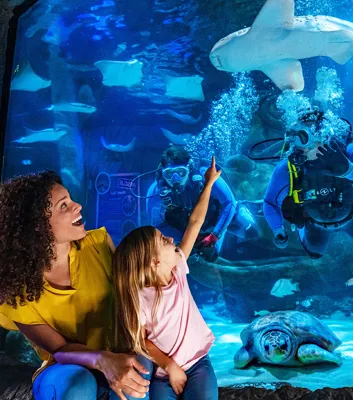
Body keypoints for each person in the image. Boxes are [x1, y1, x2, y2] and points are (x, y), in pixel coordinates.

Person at [0, 171, 151, 400]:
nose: (77, 206)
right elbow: (59, 350)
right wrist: (103, 361)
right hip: (66, 367)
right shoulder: (17, 292)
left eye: (70, 200)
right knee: (76, 387)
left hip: (119, 353)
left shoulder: (99, 244)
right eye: (64, 206)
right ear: (37, 225)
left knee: (137, 373)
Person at [112, 157, 221, 400]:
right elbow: (141, 341)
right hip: (163, 373)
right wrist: (170, 366)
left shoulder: (178, 268)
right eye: (163, 240)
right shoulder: (140, 296)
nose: (171, 240)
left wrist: (209, 184)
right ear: (153, 262)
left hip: (199, 364)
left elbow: (195, 222)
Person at [263, 109, 353, 259]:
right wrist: (277, 229)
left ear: (322, 135)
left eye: (304, 136)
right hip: (316, 224)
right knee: (315, 253)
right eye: (295, 137)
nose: (298, 146)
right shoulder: (288, 168)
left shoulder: (348, 151)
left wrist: (350, 170)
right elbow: (270, 202)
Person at [146, 145, 258, 261]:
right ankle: (212, 242)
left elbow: (228, 203)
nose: (175, 179)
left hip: (217, 216)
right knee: (208, 258)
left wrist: (215, 235)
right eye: (169, 174)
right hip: (189, 228)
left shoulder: (206, 174)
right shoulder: (156, 191)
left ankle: (241, 210)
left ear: (189, 168)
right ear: (162, 173)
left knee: (252, 232)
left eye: (181, 172)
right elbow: (158, 226)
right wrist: (191, 240)